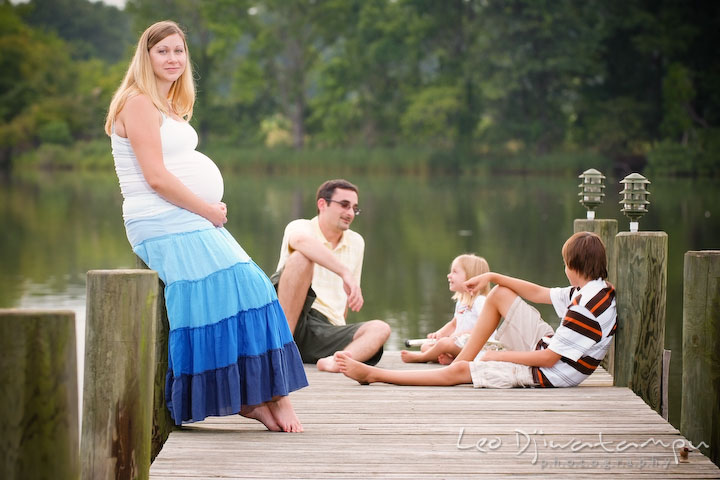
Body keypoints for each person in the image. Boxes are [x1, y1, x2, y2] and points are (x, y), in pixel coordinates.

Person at [105, 20, 307, 432]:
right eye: (163, 51)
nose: (173, 59)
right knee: (242, 287)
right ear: (145, 56)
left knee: (251, 286)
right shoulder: (138, 102)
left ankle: (260, 398)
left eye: (179, 51)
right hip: (160, 219)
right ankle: (262, 398)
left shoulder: (166, 104)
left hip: (186, 217)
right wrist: (207, 209)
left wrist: (202, 209)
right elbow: (156, 178)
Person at [336, 231, 616, 390]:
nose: (564, 269)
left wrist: (497, 356)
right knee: (500, 294)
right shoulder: (594, 289)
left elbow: (547, 359)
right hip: (551, 351)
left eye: (565, 264)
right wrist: (492, 276)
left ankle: (375, 374)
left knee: (457, 375)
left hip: (550, 374)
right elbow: (539, 293)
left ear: (573, 266)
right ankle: (466, 359)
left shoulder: (584, 308)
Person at [271, 179, 391, 373]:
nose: (350, 213)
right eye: (344, 205)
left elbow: (345, 300)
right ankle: (279, 351)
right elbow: (300, 241)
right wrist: (344, 272)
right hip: (286, 318)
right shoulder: (300, 227)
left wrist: (341, 323)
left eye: (354, 208)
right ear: (322, 204)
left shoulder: (356, 242)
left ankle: (335, 363)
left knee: (380, 328)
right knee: (301, 258)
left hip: (324, 330)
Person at [401, 254, 492, 365]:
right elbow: (454, 324)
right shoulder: (461, 302)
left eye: (454, 272)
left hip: (476, 349)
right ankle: (453, 360)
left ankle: (421, 358)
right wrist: (440, 334)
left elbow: (486, 329)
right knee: (426, 346)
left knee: (443, 345)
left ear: (470, 277)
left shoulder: (481, 301)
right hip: (460, 346)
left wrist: (462, 335)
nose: (449, 275)